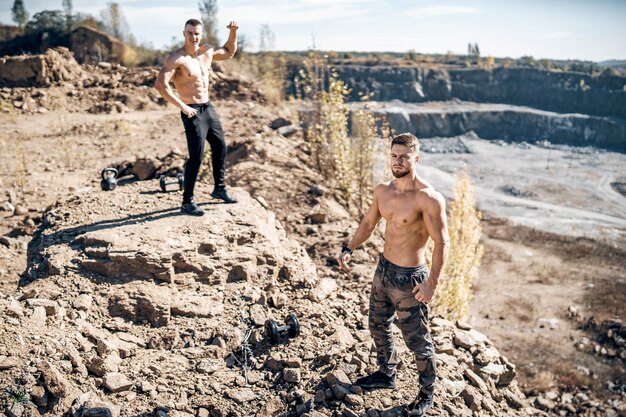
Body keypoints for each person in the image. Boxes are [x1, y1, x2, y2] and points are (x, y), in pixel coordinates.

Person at [337, 133, 450, 416]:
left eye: (404, 157)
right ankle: (386, 374)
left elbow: (443, 243)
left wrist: (431, 283)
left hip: (411, 278)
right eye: (394, 156)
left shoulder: (429, 198)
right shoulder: (383, 191)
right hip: (384, 269)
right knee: (376, 323)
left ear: (416, 159)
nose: (398, 162)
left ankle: (427, 394)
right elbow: (368, 223)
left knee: (417, 341)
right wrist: (349, 246)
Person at [155, 18, 239, 216]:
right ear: (184, 33)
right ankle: (187, 201)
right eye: (190, 33)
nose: (194, 37)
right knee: (197, 156)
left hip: (207, 107)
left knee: (220, 147)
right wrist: (183, 106)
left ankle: (219, 189)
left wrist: (233, 32)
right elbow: (160, 85)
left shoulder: (207, 52)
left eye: (197, 33)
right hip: (191, 110)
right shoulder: (176, 58)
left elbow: (229, 52)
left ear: (202, 34)